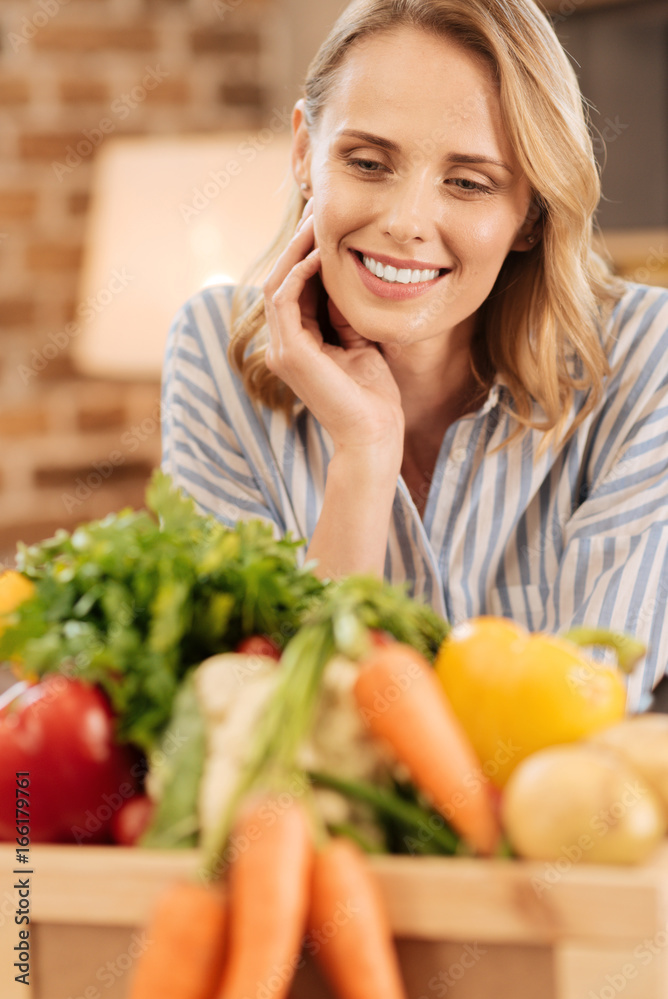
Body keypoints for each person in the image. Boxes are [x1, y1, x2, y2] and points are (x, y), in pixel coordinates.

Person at [161, 0, 668, 709]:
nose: (403, 222)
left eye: (468, 182)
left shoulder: (648, 365)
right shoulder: (214, 354)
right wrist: (363, 455)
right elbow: (261, 733)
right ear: (306, 152)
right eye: (368, 163)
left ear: (530, 212)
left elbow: (581, 714)